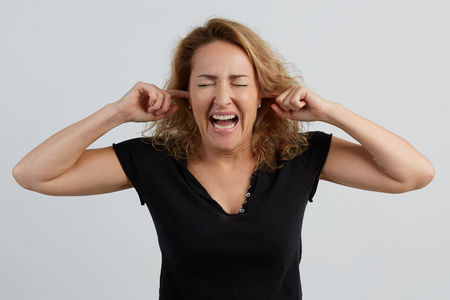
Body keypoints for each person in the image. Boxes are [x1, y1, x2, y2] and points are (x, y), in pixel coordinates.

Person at [12, 18, 434, 299]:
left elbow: (414, 174)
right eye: (206, 83)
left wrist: (330, 112)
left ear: (261, 94)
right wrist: (118, 112)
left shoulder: (298, 156)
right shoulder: (154, 160)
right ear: (186, 95)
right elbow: (32, 175)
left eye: (239, 83)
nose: (223, 97)